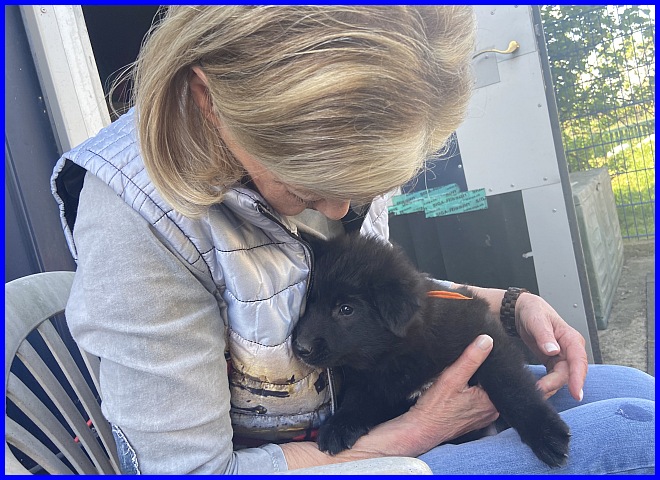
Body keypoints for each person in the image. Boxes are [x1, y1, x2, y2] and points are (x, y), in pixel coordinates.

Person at [51, 6, 654, 474]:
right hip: (318, 454)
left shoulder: (335, 146)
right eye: (313, 186)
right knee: (635, 438)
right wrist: (409, 435)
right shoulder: (135, 221)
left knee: (633, 389)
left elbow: (375, 289)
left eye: (367, 188)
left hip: (369, 396)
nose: (340, 211)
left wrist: (506, 303)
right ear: (211, 100)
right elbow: (185, 471)